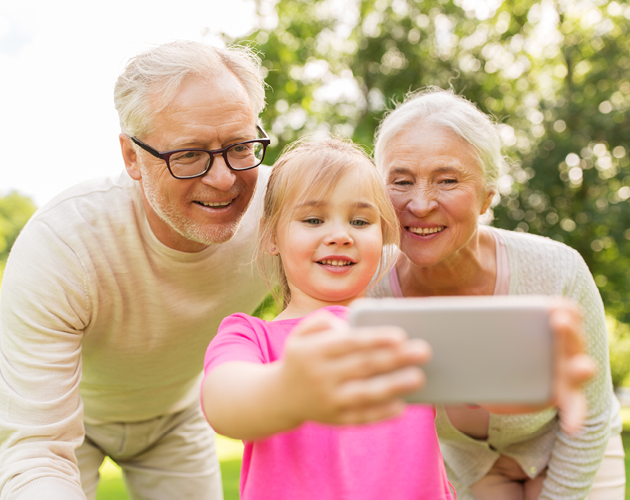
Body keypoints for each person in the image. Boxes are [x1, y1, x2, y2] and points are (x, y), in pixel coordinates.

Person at [0, 40, 272, 500]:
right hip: (72, 417)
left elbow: (387, 263)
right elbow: (37, 450)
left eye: (240, 146)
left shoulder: (283, 214)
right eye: (188, 154)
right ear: (132, 157)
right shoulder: (63, 246)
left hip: (176, 417)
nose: (224, 179)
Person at [369, 87, 624, 500]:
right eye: (401, 181)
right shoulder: (365, 289)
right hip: (467, 469)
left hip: (577, 449)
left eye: (447, 180)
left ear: (488, 196)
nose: (419, 203)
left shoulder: (558, 270)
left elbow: (590, 417)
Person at [201, 137, 455, 500]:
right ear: (272, 235)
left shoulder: (411, 334)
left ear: (383, 234)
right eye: (314, 219)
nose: (339, 236)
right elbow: (223, 402)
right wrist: (289, 385)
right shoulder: (249, 336)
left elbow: (486, 407)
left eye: (360, 220)